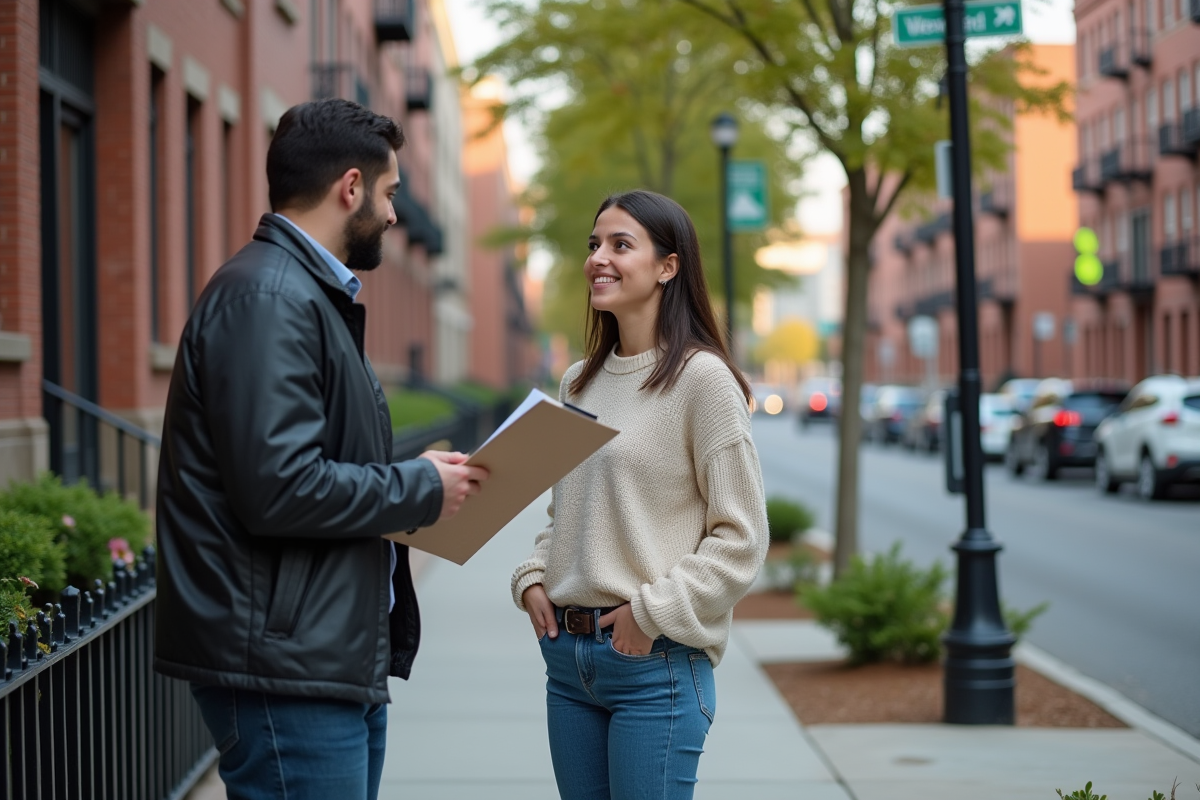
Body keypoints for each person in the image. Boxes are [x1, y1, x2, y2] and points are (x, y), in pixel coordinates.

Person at [154, 99, 488, 800]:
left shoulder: (303, 295)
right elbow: (278, 486)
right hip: (285, 665)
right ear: (351, 187)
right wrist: (419, 488)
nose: (395, 216)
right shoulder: (270, 299)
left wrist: (416, 485)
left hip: (319, 653)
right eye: (391, 193)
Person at [511, 190, 769, 800]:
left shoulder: (703, 381)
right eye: (595, 244)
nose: (599, 257)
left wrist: (651, 615)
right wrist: (534, 576)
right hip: (568, 667)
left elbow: (742, 538)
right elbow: (567, 511)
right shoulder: (580, 379)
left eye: (621, 244)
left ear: (668, 266)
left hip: (656, 669)